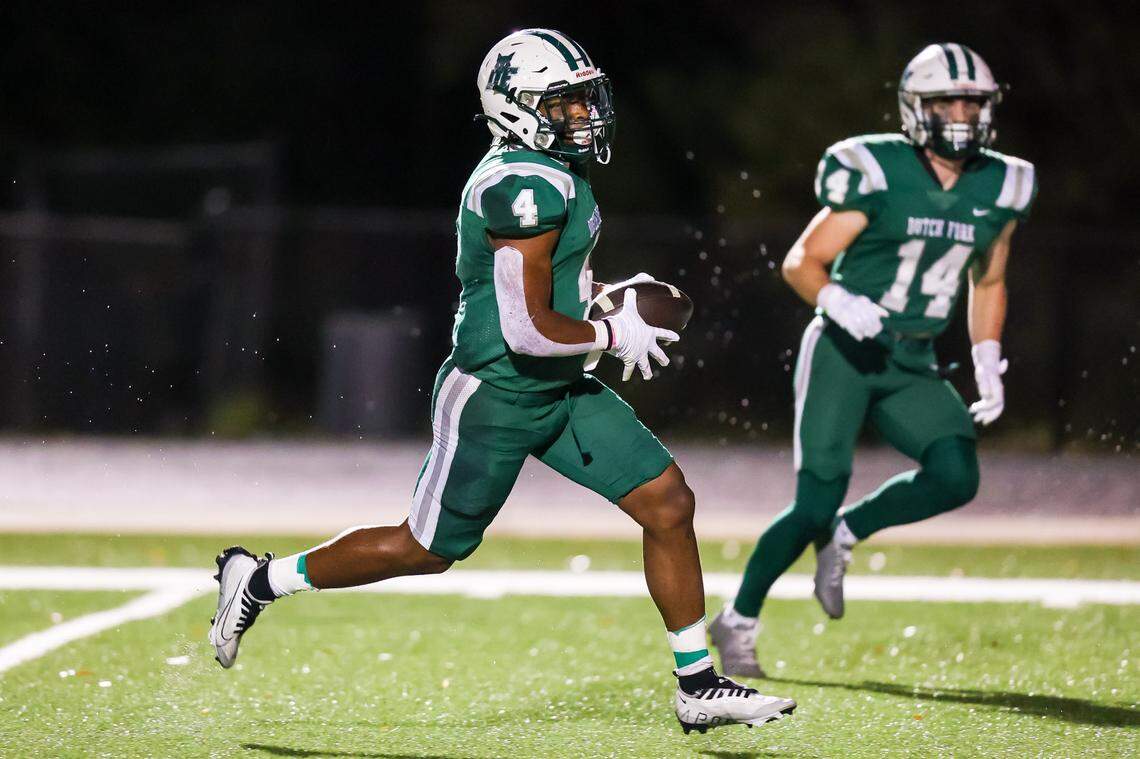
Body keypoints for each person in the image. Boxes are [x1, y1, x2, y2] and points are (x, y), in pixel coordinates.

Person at [209, 28, 795, 732]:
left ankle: (696, 685)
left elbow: (553, 292)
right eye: (565, 103)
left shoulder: (553, 172)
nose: (583, 115)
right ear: (515, 108)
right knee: (425, 549)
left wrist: (605, 295)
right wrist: (613, 331)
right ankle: (261, 579)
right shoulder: (520, 186)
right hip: (496, 391)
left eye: (584, 100)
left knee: (668, 502)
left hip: (559, 388)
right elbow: (525, 328)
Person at [711, 43, 1037, 677]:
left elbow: (990, 279)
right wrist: (834, 298)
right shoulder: (878, 170)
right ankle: (738, 619)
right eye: (948, 100)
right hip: (845, 349)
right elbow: (801, 261)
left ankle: (847, 532)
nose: (963, 113)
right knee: (812, 502)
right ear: (916, 107)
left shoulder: (1003, 183)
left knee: (955, 474)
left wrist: (987, 356)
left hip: (911, 358)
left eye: (972, 100)